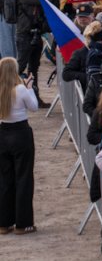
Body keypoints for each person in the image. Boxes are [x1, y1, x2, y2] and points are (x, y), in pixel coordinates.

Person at [0, 57, 37, 234]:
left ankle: (4, 222)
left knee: (5, 178)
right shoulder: (20, 89)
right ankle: (23, 223)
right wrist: (30, 88)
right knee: (23, 177)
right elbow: (34, 107)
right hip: (20, 133)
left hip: (3, 132)